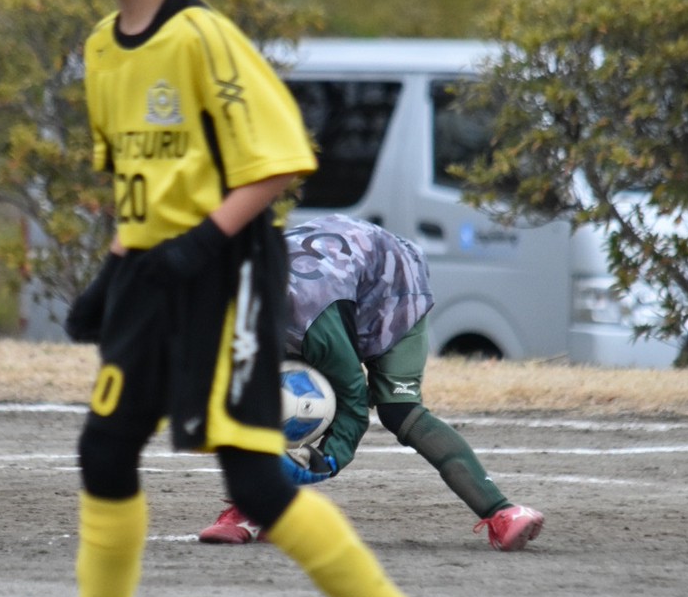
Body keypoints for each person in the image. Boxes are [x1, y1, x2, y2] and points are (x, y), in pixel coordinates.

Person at [0, 0, 461, 597]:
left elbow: (279, 164)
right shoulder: (101, 49)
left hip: (225, 277)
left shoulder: (204, 39)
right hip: (153, 276)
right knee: (104, 451)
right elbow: (142, 186)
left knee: (254, 483)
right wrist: (114, 274)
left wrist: (198, 248)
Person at [199, 214, 545, 551]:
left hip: (393, 282)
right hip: (336, 280)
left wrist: (322, 462)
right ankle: (256, 508)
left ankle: (501, 512)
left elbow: (353, 409)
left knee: (400, 412)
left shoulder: (312, 325)